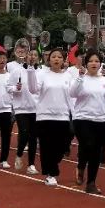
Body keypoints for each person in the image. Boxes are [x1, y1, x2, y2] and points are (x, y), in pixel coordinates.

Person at [26, 48, 72, 186]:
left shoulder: (68, 76)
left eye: (59, 57)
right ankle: (51, 173)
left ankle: (51, 168)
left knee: (62, 146)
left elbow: (73, 95)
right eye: (54, 57)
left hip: (63, 116)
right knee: (47, 146)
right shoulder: (41, 74)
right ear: (49, 60)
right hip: (44, 116)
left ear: (63, 60)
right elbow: (33, 89)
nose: (56, 59)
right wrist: (30, 69)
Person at [70, 51, 105, 194]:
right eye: (91, 61)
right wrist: (80, 77)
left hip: (100, 118)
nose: (94, 63)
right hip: (82, 118)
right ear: (86, 63)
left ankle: (91, 183)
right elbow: (72, 93)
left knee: (96, 151)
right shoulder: (80, 78)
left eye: (97, 61)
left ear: (101, 63)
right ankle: (81, 166)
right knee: (88, 144)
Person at [8, 48, 39, 174]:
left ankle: (31, 165)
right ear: (26, 56)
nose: (32, 57)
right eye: (30, 54)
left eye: (35, 55)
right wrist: (16, 88)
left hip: (36, 108)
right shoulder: (17, 71)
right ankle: (19, 153)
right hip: (21, 108)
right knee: (24, 133)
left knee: (33, 137)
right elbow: (8, 87)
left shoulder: (41, 71)